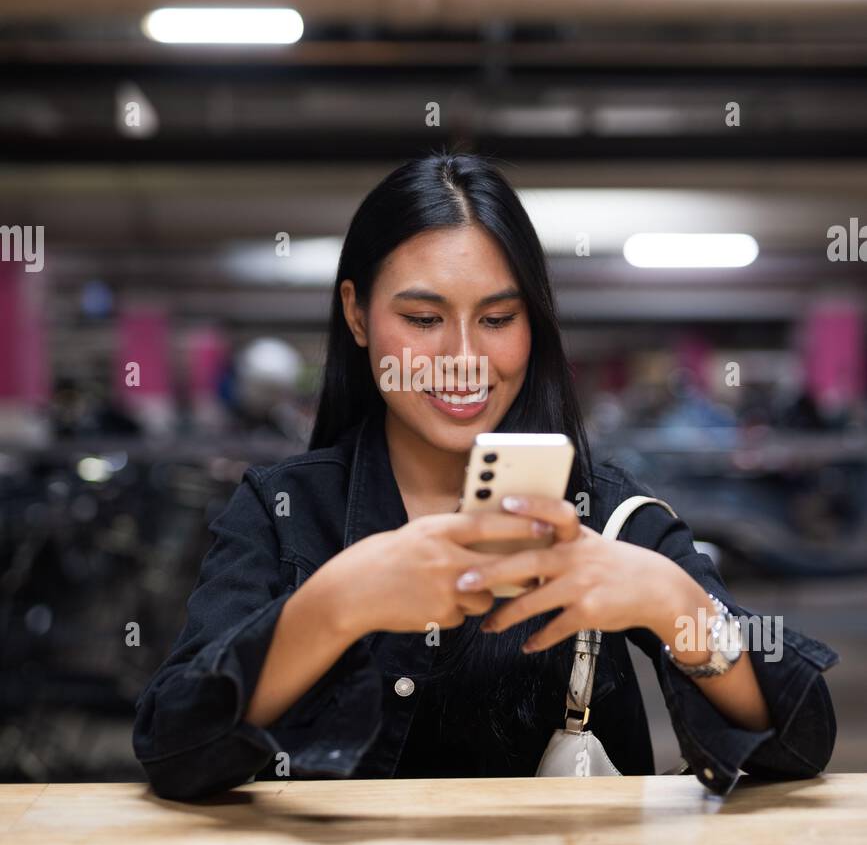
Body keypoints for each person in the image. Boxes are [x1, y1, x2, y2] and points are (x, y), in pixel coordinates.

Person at [133, 153, 839, 800]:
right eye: (422, 317)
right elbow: (173, 748)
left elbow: (798, 739)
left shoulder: (608, 513)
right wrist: (334, 604)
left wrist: (673, 605)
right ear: (356, 313)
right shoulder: (284, 511)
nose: (463, 358)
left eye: (497, 318)